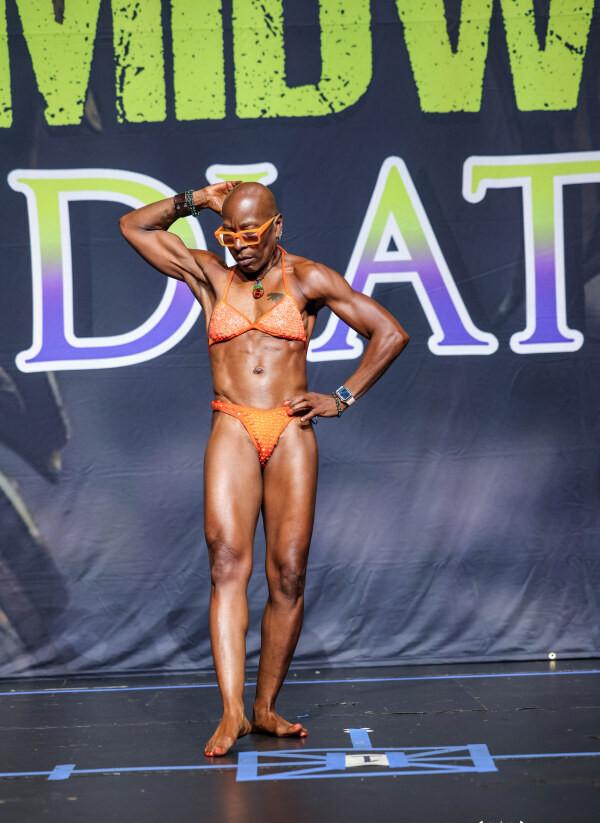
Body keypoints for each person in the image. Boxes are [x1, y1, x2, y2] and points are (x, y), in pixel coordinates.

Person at [119, 181, 409, 757]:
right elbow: (135, 227)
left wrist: (341, 397)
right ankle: (232, 712)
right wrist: (197, 200)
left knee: (289, 574)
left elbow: (390, 333)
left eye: (251, 234)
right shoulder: (210, 276)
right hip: (232, 424)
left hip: (290, 431)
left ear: (277, 227)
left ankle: (266, 707)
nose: (240, 246)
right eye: (229, 235)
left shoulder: (309, 279)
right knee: (226, 563)